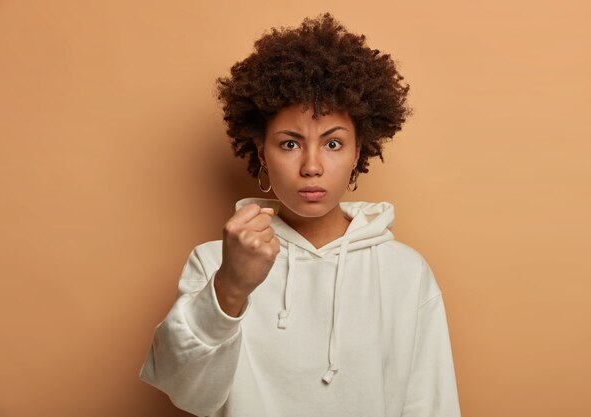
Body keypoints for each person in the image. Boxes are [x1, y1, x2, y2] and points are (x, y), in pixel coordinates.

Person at [139, 12, 462, 417]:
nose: (311, 166)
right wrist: (231, 289)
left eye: (333, 144)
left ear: (358, 152)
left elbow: (431, 406)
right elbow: (186, 392)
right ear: (262, 154)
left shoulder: (405, 272)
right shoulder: (215, 262)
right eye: (290, 144)